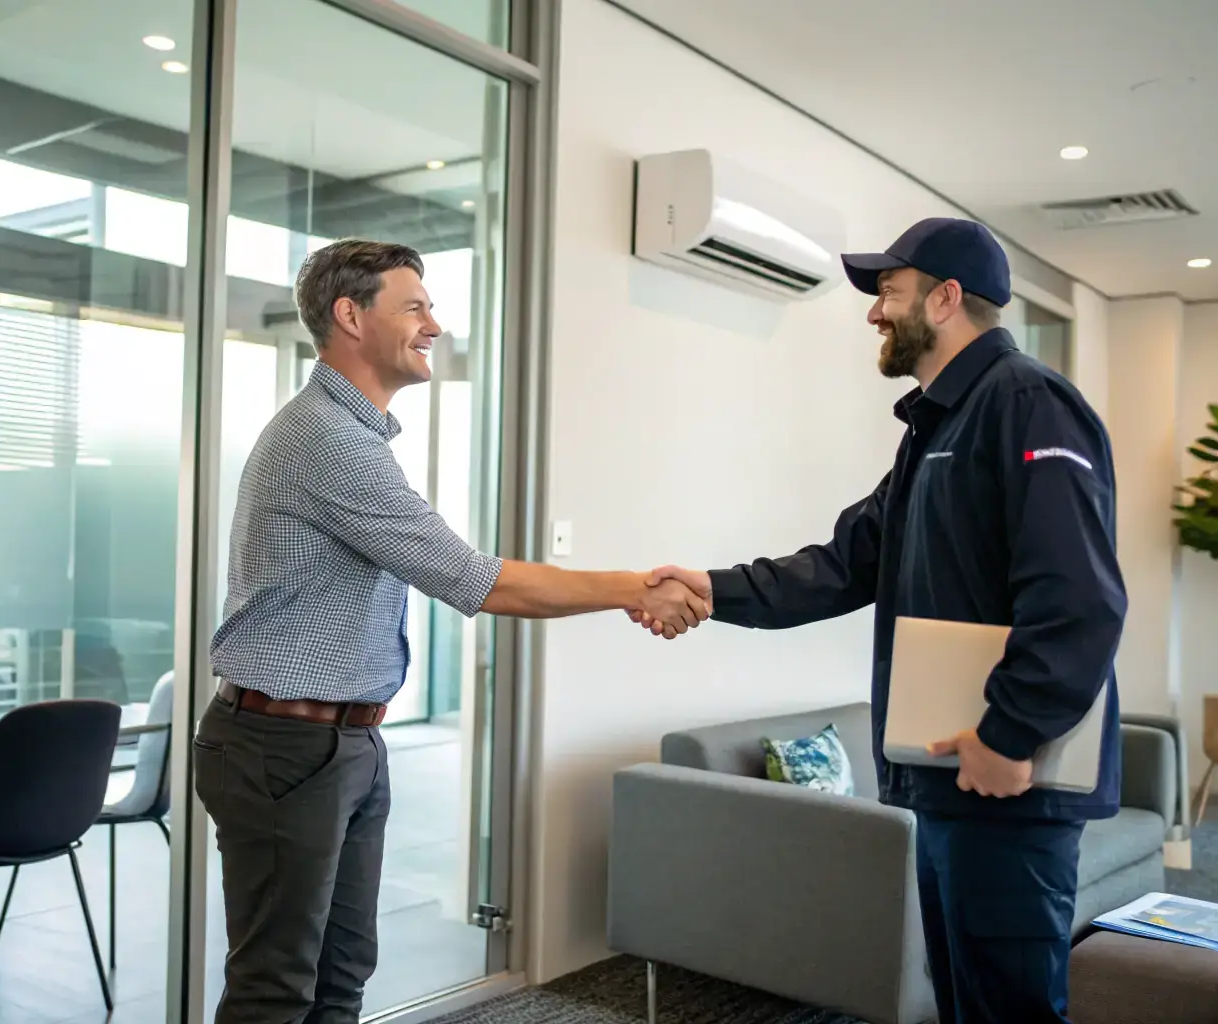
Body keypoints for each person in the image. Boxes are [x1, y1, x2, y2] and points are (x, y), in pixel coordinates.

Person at [194, 239, 709, 1024]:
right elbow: (477, 580)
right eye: (415, 308)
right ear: (349, 316)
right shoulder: (326, 440)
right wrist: (636, 588)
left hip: (342, 740)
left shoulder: (354, 436)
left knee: (340, 976)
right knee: (276, 989)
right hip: (283, 747)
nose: (434, 325)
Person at [632, 217, 1127, 1024]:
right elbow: (844, 564)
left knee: (1010, 1010)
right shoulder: (937, 425)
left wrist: (1010, 735)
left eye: (888, 293)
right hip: (947, 780)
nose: (873, 312)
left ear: (945, 298)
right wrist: (712, 590)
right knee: (964, 1002)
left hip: (1005, 779)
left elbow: (1079, 597)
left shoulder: (1026, 403)